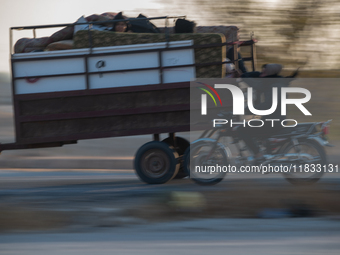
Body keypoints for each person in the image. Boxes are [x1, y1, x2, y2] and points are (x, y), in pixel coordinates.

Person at [236, 64, 287, 162]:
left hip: (272, 122)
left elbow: (267, 106)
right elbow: (256, 82)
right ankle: (266, 153)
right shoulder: (274, 83)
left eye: (264, 73)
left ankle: (258, 155)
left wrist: (248, 109)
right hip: (273, 120)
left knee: (241, 130)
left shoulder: (274, 87)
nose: (261, 75)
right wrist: (245, 75)